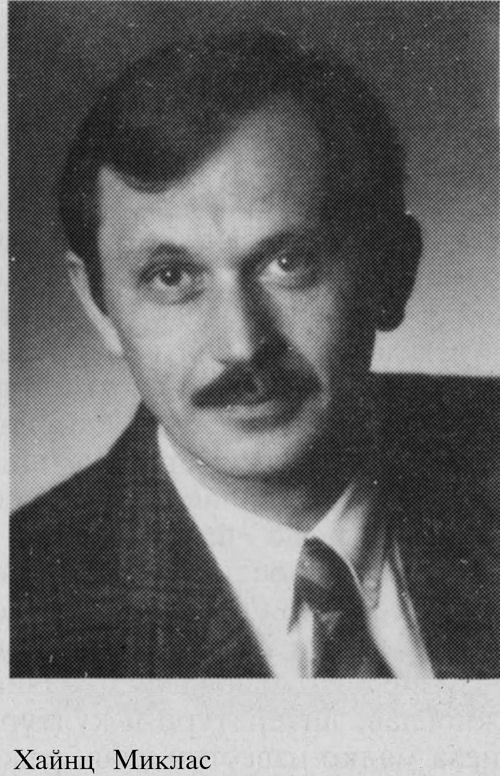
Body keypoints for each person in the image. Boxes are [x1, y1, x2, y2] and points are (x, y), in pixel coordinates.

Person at [10, 30, 499, 678]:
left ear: (392, 270)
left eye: (288, 262)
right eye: (170, 276)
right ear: (99, 306)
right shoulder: (24, 612)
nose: (241, 346)